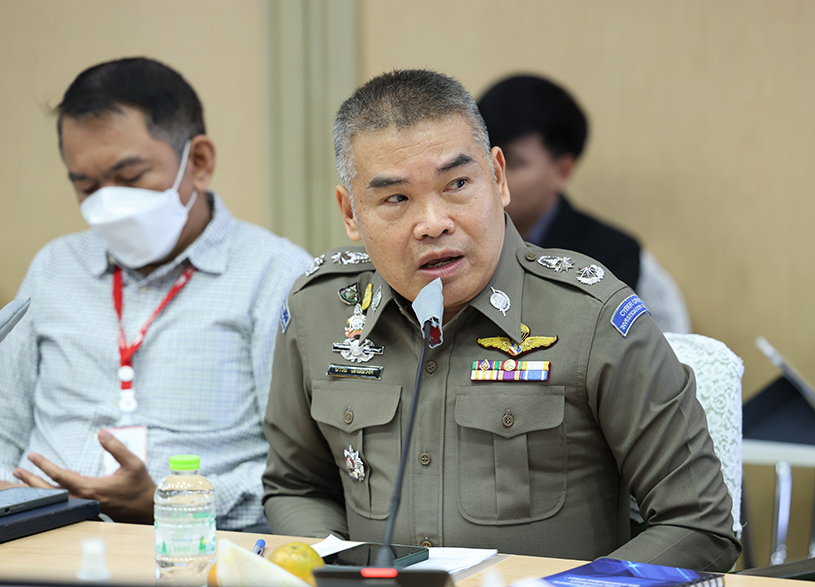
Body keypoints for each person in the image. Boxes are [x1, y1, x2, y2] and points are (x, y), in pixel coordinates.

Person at [262, 69, 739, 570]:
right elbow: (297, 486)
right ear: (351, 213)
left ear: (498, 177)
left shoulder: (591, 316)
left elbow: (698, 524)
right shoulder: (321, 311)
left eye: (457, 184)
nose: (433, 223)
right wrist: (337, 571)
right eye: (396, 198)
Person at [0, 57, 312, 531]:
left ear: (199, 162)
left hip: (190, 547)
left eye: (129, 178)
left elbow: (301, 475)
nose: (107, 204)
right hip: (37, 539)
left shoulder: (276, 275)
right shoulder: (55, 267)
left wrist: (172, 502)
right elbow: (4, 427)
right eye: (87, 186)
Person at [477, 74, 690, 334]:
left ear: (562, 171)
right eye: (483, 158)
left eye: (512, 162)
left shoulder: (610, 255)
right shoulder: (453, 237)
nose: (493, 175)